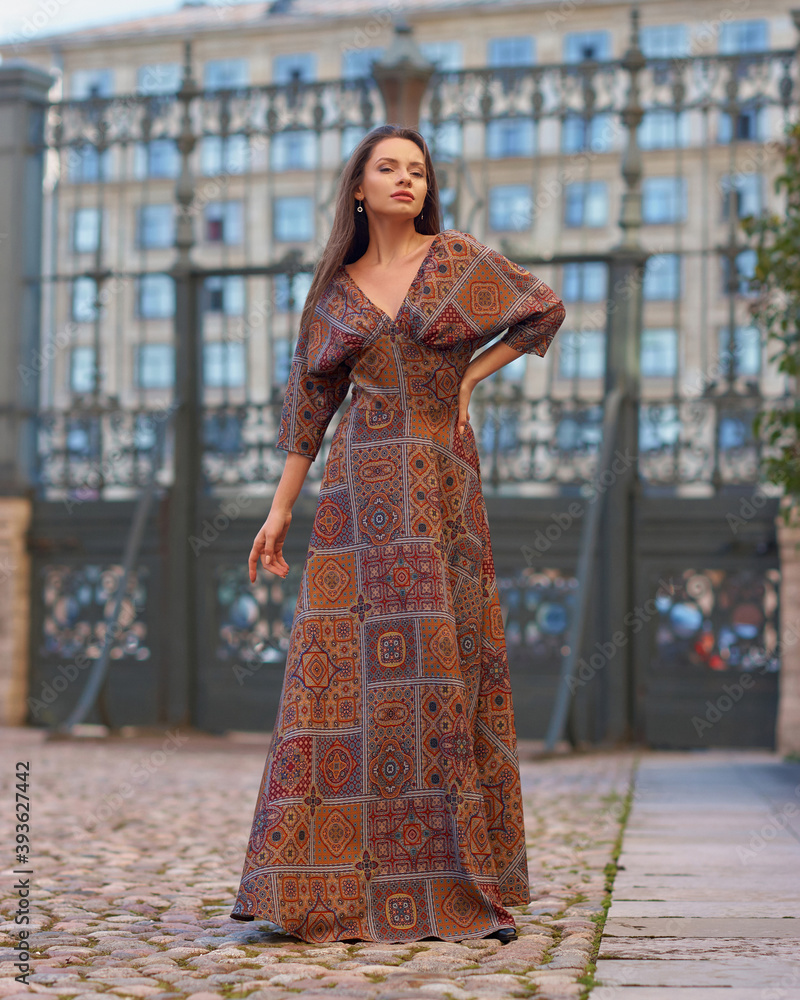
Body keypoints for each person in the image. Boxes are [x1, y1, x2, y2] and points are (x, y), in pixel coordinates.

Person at [230, 123, 566, 945]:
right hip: (355, 493)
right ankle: (315, 887)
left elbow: (542, 309)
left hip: (441, 481)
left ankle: (459, 888)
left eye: (417, 169)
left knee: (438, 666)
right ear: (359, 187)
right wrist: (279, 511)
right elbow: (309, 410)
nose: (406, 179)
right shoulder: (334, 291)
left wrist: (469, 382)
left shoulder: (454, 259)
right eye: (389, 167)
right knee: (334, 676)